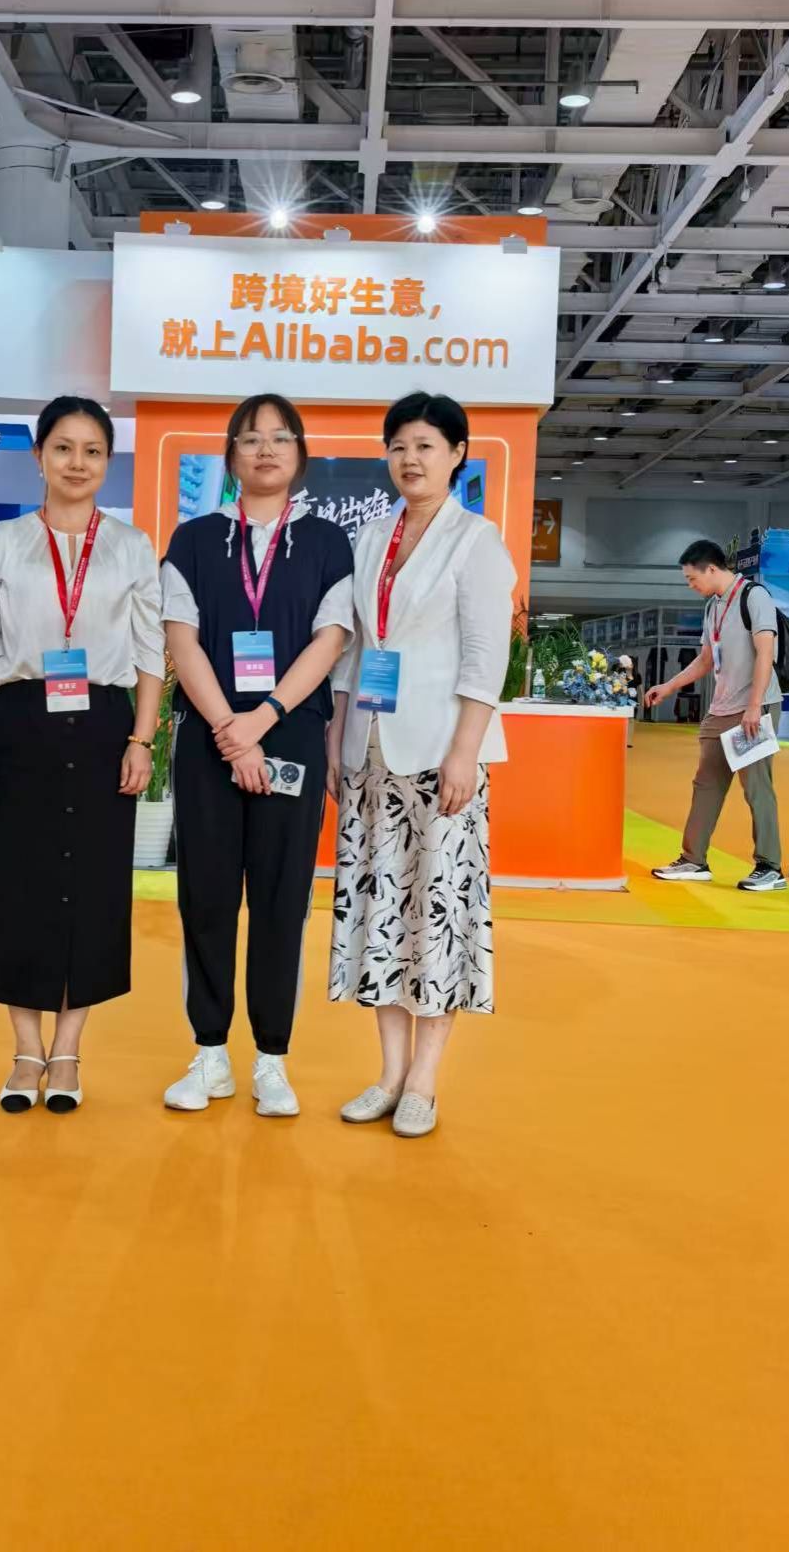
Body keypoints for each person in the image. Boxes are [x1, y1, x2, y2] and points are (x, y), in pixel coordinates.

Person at [0, 396, 164, 1115]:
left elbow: (150, 651)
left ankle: (69, 1049)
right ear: (39, 456)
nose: (78, 463)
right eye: (64, 448)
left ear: (108, 462)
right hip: (20, 721)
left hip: (105, 725)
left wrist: (142, 739)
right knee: (15, 885)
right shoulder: (6, 541)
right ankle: (25, 1050)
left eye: (93, 451)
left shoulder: (131, 545)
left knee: (94, 886)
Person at [328, 392, 515, 1139]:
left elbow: (485, 658)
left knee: (436, 915)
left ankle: (425, 1083)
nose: (411, 458)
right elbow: (353, 649)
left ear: (458, 454)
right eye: (399, 445)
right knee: (381, 913)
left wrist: (465, 751)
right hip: (371, 751)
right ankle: (389, 1074)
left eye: (427, 446)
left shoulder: (477, 540)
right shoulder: (371, 537)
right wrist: (338, 740)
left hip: (442, 756)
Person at [160, 393, 353, 1118]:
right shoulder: (194, 539)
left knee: (281, 898)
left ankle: (272, 1059)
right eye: (249, 439)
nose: (265, 450)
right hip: (208, 740)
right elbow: (182, 639)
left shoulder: (330, 543)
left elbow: (329, 641)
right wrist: (228, 728)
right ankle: (209, 1053)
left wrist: (263, 719)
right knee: (206, 897)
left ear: (300, 453)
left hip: (292, 733)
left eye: (280, 437)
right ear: (231, 456)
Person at [646, 539, 784, 892]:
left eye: (692, 578)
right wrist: (669, 686)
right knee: (706, 785)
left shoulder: (754, 597)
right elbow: (706, 659)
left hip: (753, 708)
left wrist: (754, 706)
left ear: (711, 569)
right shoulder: (713, 606)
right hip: (720, 709)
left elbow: (765, 653)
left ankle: (770, 867)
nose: (690, 585)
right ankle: (694, 860)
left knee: (756, 787)